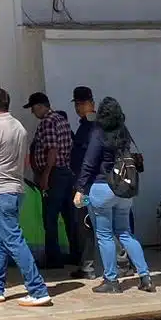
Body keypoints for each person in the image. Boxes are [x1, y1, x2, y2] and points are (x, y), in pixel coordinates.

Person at [0, 87, 51, 307]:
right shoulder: (19, 127)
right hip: (17, 188)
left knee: (14, 240)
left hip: (0, 191)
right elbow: (24, 160)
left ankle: (37, 289)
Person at [73, 97, 154, 294]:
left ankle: (111, 280)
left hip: (102, 188)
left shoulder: (98, 133)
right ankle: (145, 277)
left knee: (104, 235)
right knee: (125, 233)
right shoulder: (124, 132)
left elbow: (89, 163)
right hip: (124, 190)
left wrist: (80, 188)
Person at [27, 91, 80, 272]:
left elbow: (52, 150)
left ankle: (54, 258)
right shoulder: (61, 120)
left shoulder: (48, 122)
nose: (33, 113)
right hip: (66, 172)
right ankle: (77, 254)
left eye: (33, 109)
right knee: (69, 216)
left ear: (41, 106)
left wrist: (45, 175)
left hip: (54, 174)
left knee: (50, 217)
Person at [67, 86, 101, 280]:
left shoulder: (93, 127)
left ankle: (93, 266)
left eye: (82, 103)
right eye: (77, 104)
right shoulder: (87, 126)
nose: (79, 107)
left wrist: (80, 186)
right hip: (91, 184)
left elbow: (88, 160)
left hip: (89, 186)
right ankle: (89, 265)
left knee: (89, 225)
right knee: (89, 225)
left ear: (91, 104)